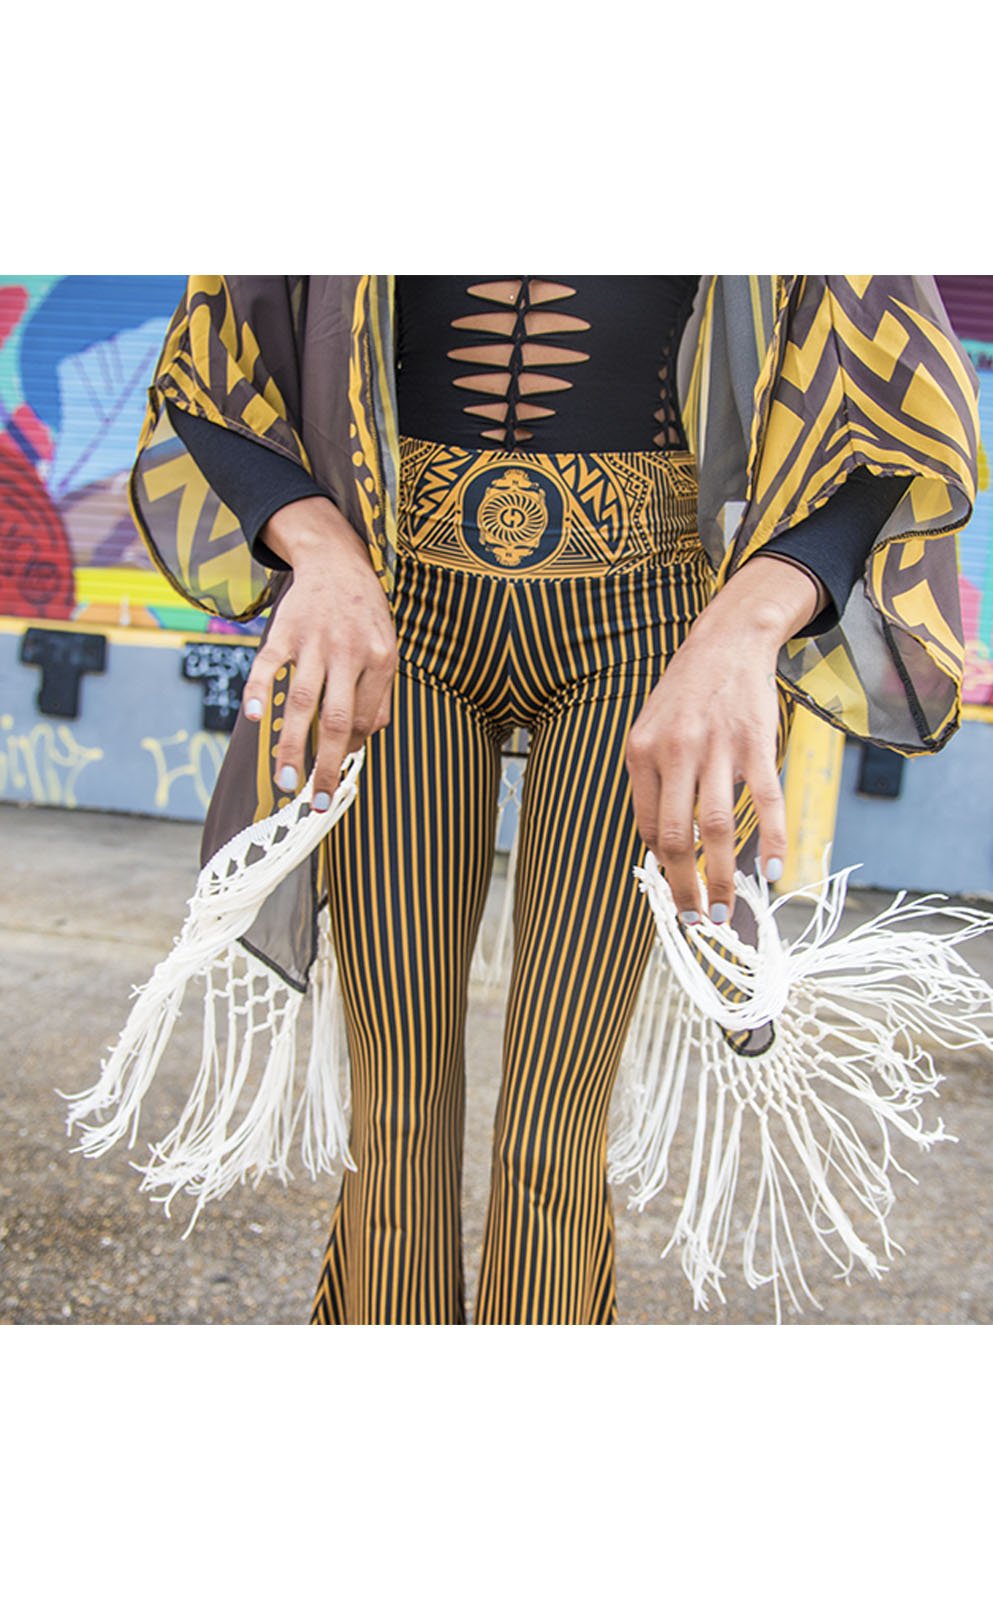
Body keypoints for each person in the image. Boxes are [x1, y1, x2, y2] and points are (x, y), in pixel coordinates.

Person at [113, 275, 978, 1324]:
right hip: (396, 606)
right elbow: (211, 359)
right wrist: (318, 544)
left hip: (648, 625)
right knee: (394, 1117)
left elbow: (900, 412)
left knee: (551, 1130)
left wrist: (751, 618)